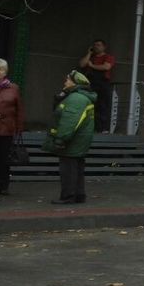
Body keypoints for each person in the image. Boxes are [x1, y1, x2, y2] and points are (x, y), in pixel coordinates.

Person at [42, 70, 96, 204]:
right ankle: (78, 195)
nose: (64, 82)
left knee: (68, 169)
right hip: (80, 139)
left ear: (74, 82)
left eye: (67, 80)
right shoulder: (81, 97)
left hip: (73, 140)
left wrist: (61, 139)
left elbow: (70, 121)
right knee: (77, 168)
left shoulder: (76, 98)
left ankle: (68, 196)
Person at [0, 58, 25, 196]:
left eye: (0, 69)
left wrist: (19, 128)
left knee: (3, 160)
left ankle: (3, 186)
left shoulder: (13, 88)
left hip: (6, 129)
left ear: (5, 72)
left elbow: (19, 109)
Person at [78, 39, 114, 134]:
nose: (96, 47)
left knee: (102, 105)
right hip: (90, 82)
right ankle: (89, 126)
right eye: (95, 45)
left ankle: (102, 127)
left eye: (98, 45)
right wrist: (89, 53)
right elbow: (82, 64)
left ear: (103, 47)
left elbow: (106, 67)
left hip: (102, 83)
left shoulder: (107, 57)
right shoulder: (91, 57)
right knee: (89, 105)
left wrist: (92, 66)